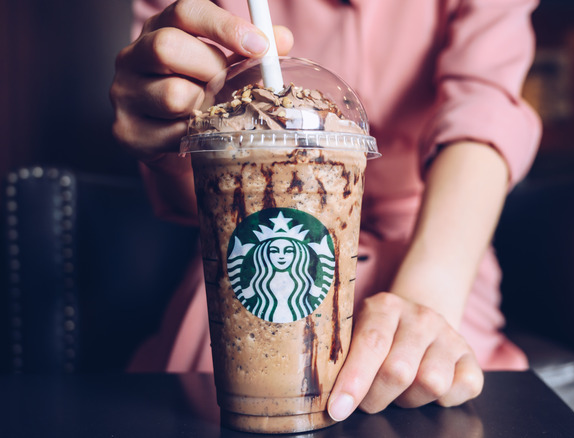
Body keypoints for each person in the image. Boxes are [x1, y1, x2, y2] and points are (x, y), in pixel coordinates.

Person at [110, 0, 541, 423]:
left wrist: (428, 295)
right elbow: (207, 187)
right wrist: (165, 130)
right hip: (246, 244)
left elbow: (484, 108)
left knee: (432, 380)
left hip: (435, 238)